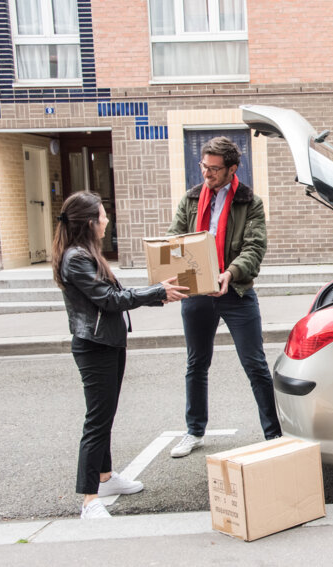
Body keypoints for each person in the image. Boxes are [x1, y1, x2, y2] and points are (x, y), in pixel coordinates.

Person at [52, 191, 188, 519]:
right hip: (94, 346)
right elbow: (108, 300)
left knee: (105, 415)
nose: (106, 220)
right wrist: (156, 292)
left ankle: (106, 478)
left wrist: (158, 295)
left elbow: (113, 295)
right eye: (102, 215)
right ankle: (88, 500)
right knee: (97, 421)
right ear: (89, 222)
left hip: (107, 342)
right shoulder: (76, 258)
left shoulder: (86, 253)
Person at [168, 136, 281, 458]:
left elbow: (254, 248)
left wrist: (229, 273)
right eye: (204, 167)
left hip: (236, 292)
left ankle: (273, 434)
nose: (207, 174)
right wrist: (170, 260)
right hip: (197, 292)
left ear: (232, 169)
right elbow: (175, 237)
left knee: (255, 364)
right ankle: (194, 431)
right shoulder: (191, 199)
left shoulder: (250, 202)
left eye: (214, 169)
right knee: (196, 363)